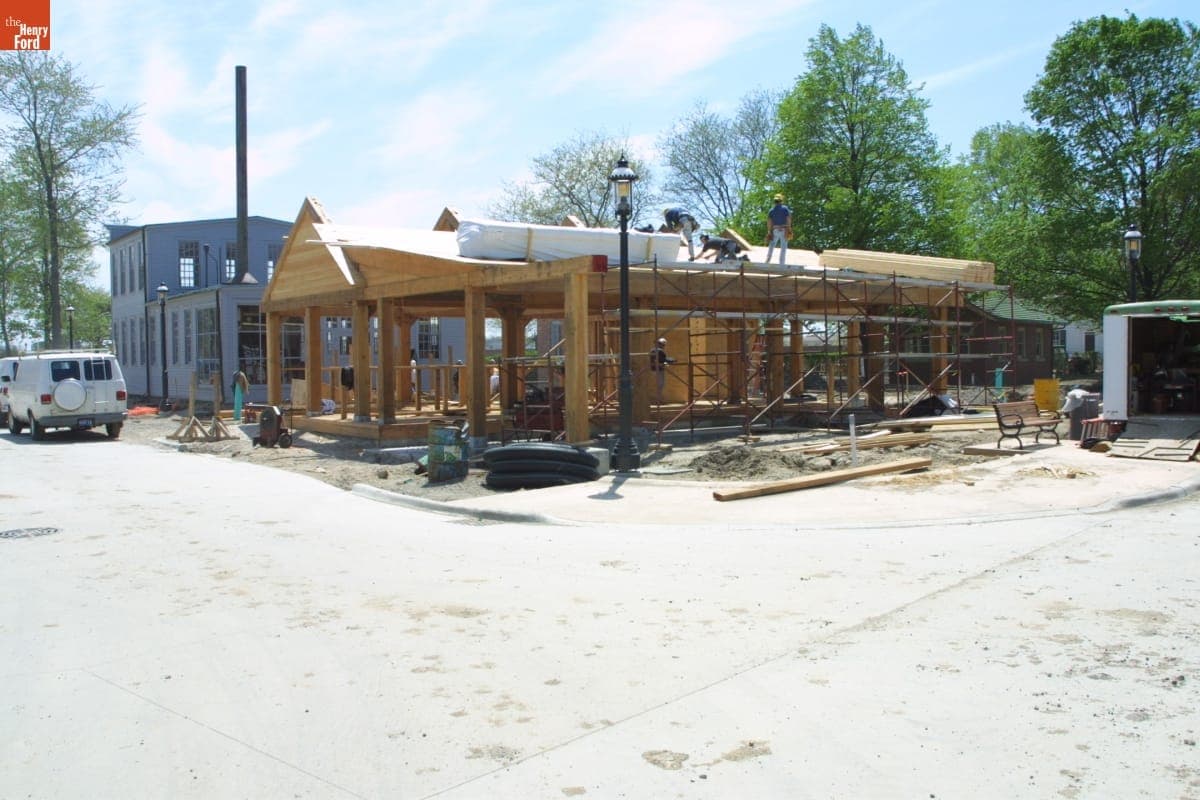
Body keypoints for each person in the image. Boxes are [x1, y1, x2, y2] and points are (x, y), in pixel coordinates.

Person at [764, 193, 792, 265]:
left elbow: (769, 222)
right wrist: (789, 229)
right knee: (783, 248)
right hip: (784, 229)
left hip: (775, 230)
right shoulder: (785, 209)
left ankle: (767, 261)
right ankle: (781, 264)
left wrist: (769, 232)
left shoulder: (771, 210)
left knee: (771, 246)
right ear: (781, 201)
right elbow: (788, 219)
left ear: (775, 201)